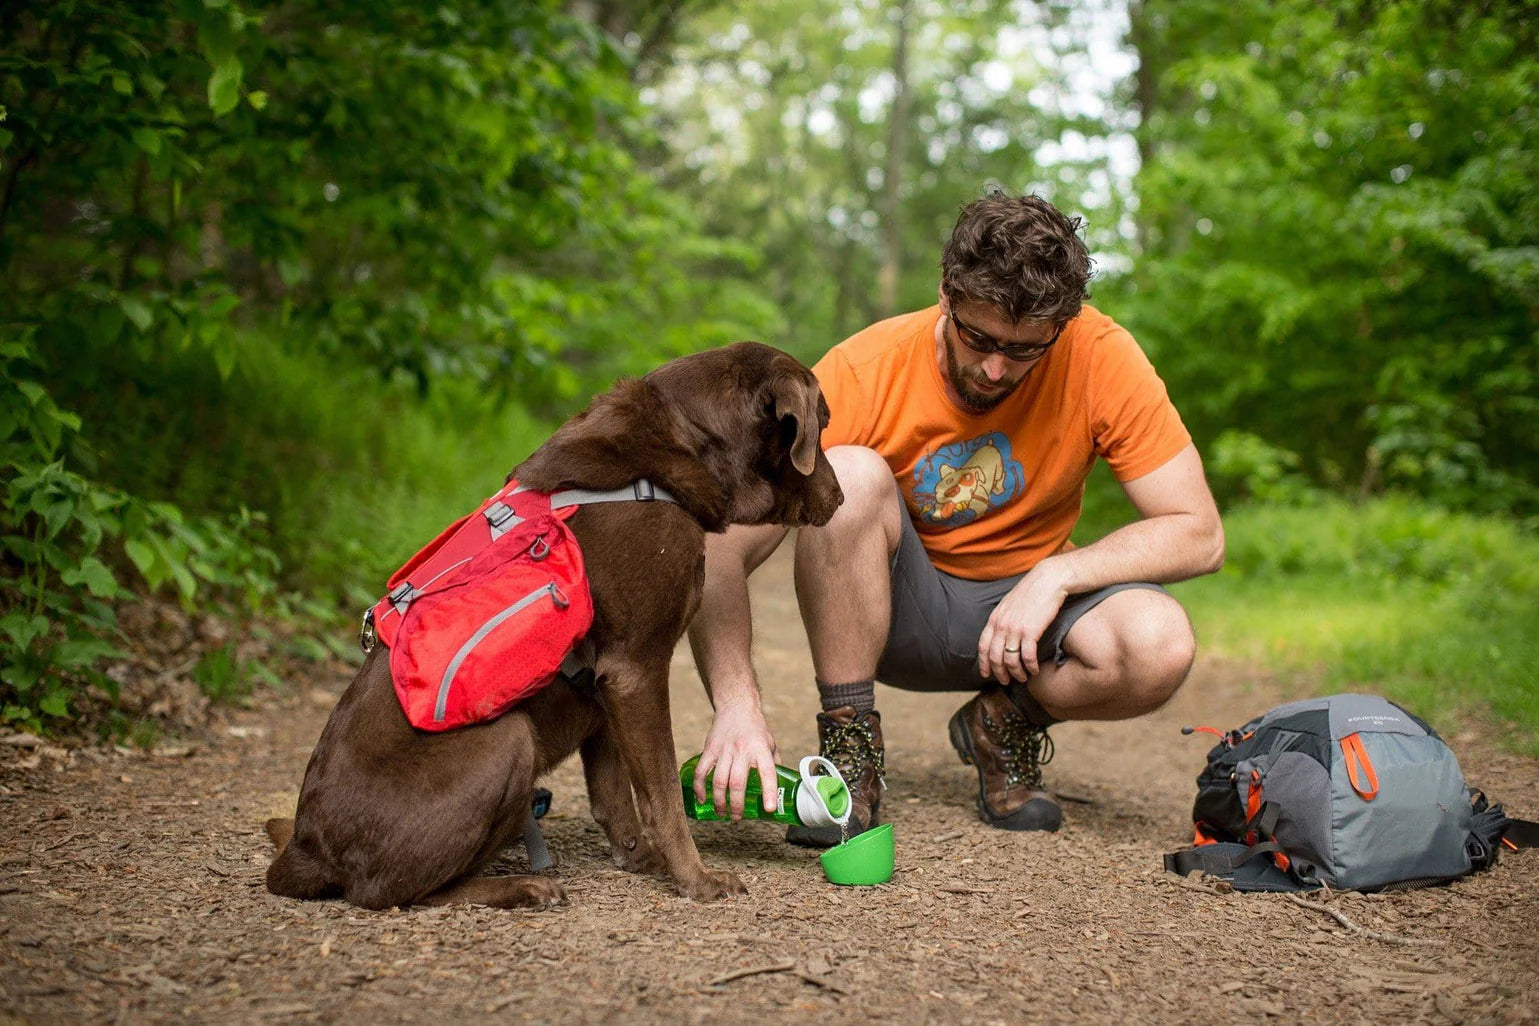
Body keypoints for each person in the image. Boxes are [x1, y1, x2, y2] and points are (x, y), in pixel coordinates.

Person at [686, 189, 1225, 844]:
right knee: (849, 474)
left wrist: (1055, 575)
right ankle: (852, 753)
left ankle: (1001, 725)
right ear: (946, 292)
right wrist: (736, 703)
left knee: (1158, 643)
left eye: (1026, 349)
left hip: (1026, 625)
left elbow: (1197, 531)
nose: (996, 368)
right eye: (979, 338)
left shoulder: (1100, 356)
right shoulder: (863, 371)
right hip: (898, 615)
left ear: (1064, 324)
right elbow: (717, 541)